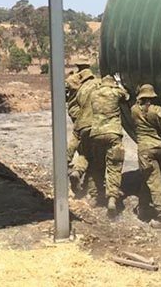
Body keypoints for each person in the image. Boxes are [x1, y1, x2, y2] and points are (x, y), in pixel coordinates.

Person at [131, 84, 161, 230]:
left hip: (145, 150)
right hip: (160, 148)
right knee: (151, 179)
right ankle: (144, 207)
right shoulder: (157, 111)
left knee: (153, 181)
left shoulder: (134, 110)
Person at [88, 74, 130, 217]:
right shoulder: (115, 92)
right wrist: (119, 83)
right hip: (113, 133)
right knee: (114, 167)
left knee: (96, 166)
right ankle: (112, 199)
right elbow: (127, 96)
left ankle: (95, 196)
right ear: (112, 84)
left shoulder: (94, 94)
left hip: (96, 134)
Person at [70, 68, 99, 199]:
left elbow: (75, 108)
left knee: (84, 151)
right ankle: (92, 191)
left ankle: (76, 170)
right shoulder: (98, 84)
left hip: (81, 124)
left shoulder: (80, 90)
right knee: (93, 157)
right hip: (94, 124)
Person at [65, 57, 93, 192]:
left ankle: (66, 159)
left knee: (76, 136)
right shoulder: (93, 82)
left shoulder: (72, 79)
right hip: (87, 115)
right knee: (86, 146)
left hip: (75, 112)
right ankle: (79, 169)